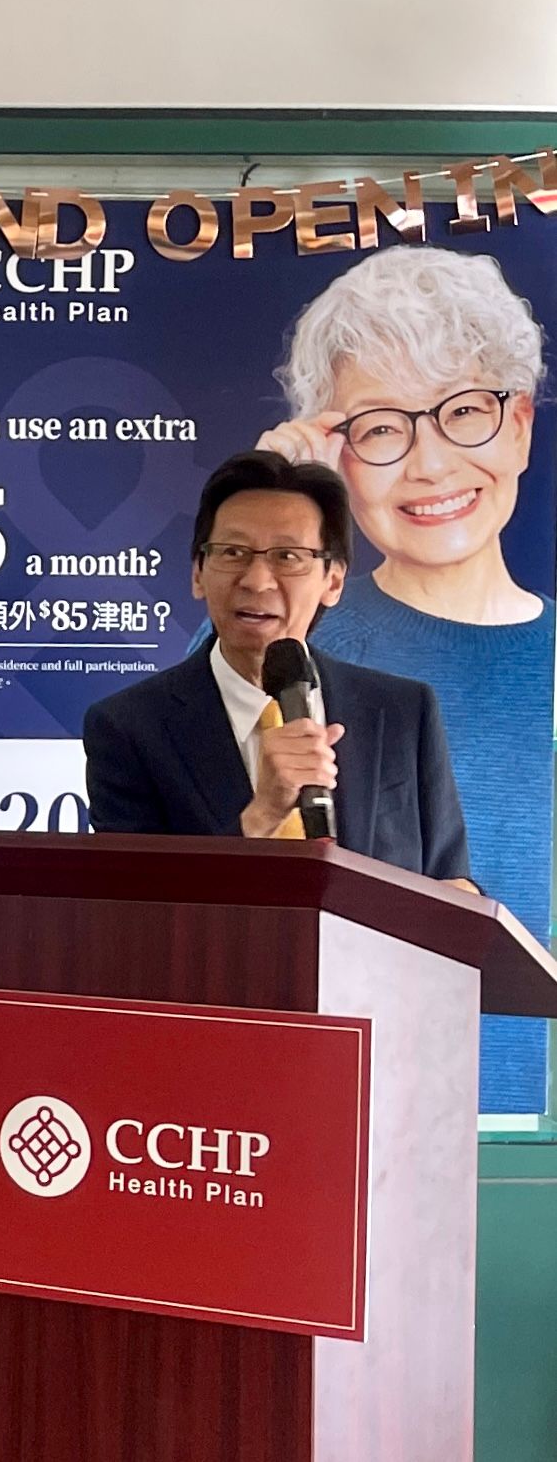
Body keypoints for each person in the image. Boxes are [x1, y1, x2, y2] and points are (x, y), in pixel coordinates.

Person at [260, 246, 551, 1111]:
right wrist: (280, 508)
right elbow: (199, 772)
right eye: (383, 427)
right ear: (335, 455)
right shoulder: (300, 640)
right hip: (340, 1118)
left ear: (523, 426)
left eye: (466, 410)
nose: (428, 465)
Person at [82, 450, 472, 883]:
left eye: (288, 557)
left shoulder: (403, 711)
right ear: (197, 573)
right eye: (233, 552)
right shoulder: (128, 727)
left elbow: (447, 876)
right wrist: (263, 813)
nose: (257, 580)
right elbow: (134, 904)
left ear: (334, 581)